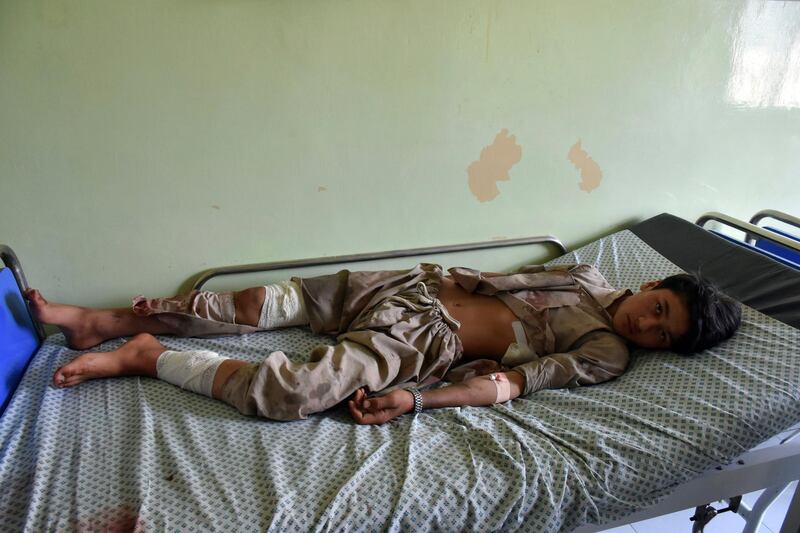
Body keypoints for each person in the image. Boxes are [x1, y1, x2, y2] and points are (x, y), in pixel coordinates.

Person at [24, 262, 741, 425]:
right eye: (659, 308)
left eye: (663, 334)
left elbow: (510, 385)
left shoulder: (605, 354)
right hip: (407, 284)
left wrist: (417, 397)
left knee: (297, 392)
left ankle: (147, 354)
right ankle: (102, 322)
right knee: (254, 302)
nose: (647, 326)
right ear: (654, 284)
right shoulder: (583, 269)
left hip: (420, 337)